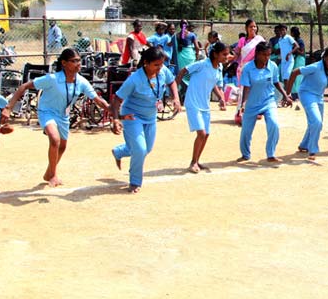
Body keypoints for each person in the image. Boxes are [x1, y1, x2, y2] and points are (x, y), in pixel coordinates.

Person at [4, 48, 110, 187]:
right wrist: (8, 108)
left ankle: (49, 172)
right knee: (55, 140)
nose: (78, 63)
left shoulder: (81, 82)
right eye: (74, 61)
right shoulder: (52, 79)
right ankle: (53, 175)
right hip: (47, 112)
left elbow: (97, 100)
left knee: (62, 146)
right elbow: (24, 86)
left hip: (64, 116)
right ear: (64, 63)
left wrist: (113, 110)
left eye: (79, 60)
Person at [111, 46, 180, 193]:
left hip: (150, 117)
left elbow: (172, 81)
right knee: (140, 149)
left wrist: (176, 98)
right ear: (146, 63)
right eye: (156, 65)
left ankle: (119, 152)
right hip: (132, 116)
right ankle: (135, 181)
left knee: (146, 149)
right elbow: (116, 99)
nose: (159, 68)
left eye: (161, 65)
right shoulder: (134, 80)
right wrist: (116, 119)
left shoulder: (163, 72)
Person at [286, 47, 328, 161]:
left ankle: (304, 144)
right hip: (307, 94)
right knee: (317, 121)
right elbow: (295, 72)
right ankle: (313, 150)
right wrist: (287, 94)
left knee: (316, 123)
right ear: (324, 57)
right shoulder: (316, 66)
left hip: (319, 96)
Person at [175, 42, 228, 173]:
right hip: (193, 103)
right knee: (201, 133)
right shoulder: (202, 64)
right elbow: (183, 71)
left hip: (205, 105)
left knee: (206, 134)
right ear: (215, 54)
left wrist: (221, 97)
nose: (227, 57)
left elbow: (214, 84)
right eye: (224, 54)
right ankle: (193, 162)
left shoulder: (219, 67)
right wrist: (175, 93)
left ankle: (197, 160)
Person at [237, 42, 292, 163]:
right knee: (246, 131)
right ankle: (245, 154)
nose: (266, 58)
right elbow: (246, 87)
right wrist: (244, 103)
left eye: (268, 55)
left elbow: (276, 82)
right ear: (257, 54)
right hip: (251, 103)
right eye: (264, 55)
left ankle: (271, 153)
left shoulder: (273, 66)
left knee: (274, 125)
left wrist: (285, 96)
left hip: (268, 101)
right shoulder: (248, 68)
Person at [233, 19, 265, 116]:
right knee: (243, 90)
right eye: (251, 27)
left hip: (256, 68)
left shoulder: (260, 40)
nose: (253, 28)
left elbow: (265, 52)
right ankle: (241, 112)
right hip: (244, 69)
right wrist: (229, 59)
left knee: (255, 90)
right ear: (246, 28)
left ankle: (256, 112)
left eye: (255, 26)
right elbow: (237, 53)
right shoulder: (242, 40)